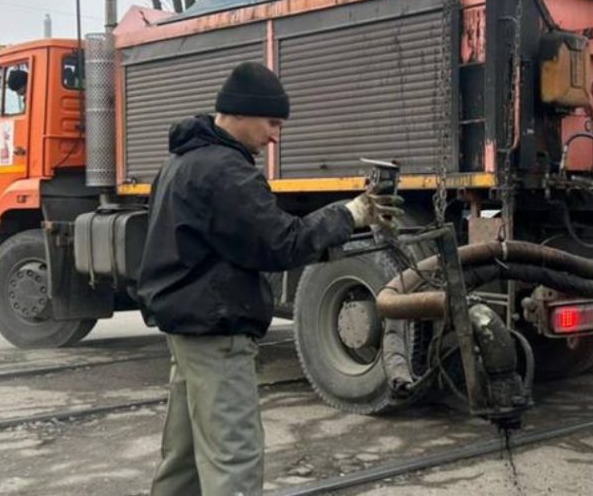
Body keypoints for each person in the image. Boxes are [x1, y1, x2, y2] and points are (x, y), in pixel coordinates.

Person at [138, 61, 403, 496]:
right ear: (239, 113)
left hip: (186, 331)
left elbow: (247, 235)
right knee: (233, 462)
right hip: (217, 333)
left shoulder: (180, 162)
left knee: (182, 463)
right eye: (271, 123)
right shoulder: (226, 170)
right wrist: (351, 212)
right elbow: (280, 243)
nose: (275, 136)